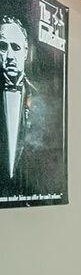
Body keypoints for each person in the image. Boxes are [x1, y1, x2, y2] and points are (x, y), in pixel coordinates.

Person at [0, 15, 38, 196]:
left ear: (25, 52)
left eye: (15, 48)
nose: (9, 56)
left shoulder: (38, 99)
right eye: (2, 47)